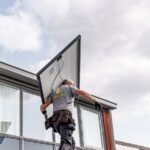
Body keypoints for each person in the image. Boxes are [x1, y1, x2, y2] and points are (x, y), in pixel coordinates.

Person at [40, 79, 98, 150]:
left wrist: (43, 111)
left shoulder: (55, 92)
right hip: (64, 118)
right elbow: (82, 92)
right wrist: (94, 100)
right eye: (73, 85)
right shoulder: (69, 87)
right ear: (69, 83)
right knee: (66, 143)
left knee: (71, 143)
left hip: (55, 121)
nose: (74, 86)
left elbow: (43, 107)